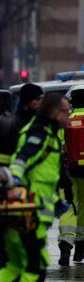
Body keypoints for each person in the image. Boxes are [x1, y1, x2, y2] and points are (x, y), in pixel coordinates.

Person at [0, 92, 70, 282]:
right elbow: (20, 162)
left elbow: (42, 175)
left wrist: (59, 202)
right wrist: (16, 185)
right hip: (28, 215)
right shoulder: (40, 134)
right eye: (66, 112)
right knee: (35, 268)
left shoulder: (44, 133)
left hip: (22, 213)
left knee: (14, 267)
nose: (69, 116)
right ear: (55, 113)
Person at [57, 85, 84, 266]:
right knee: (83, 206)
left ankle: (66, 246)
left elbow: (59, 145)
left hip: (70, 171)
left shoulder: (66, 121)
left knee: (69, 205)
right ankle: (80, 247)